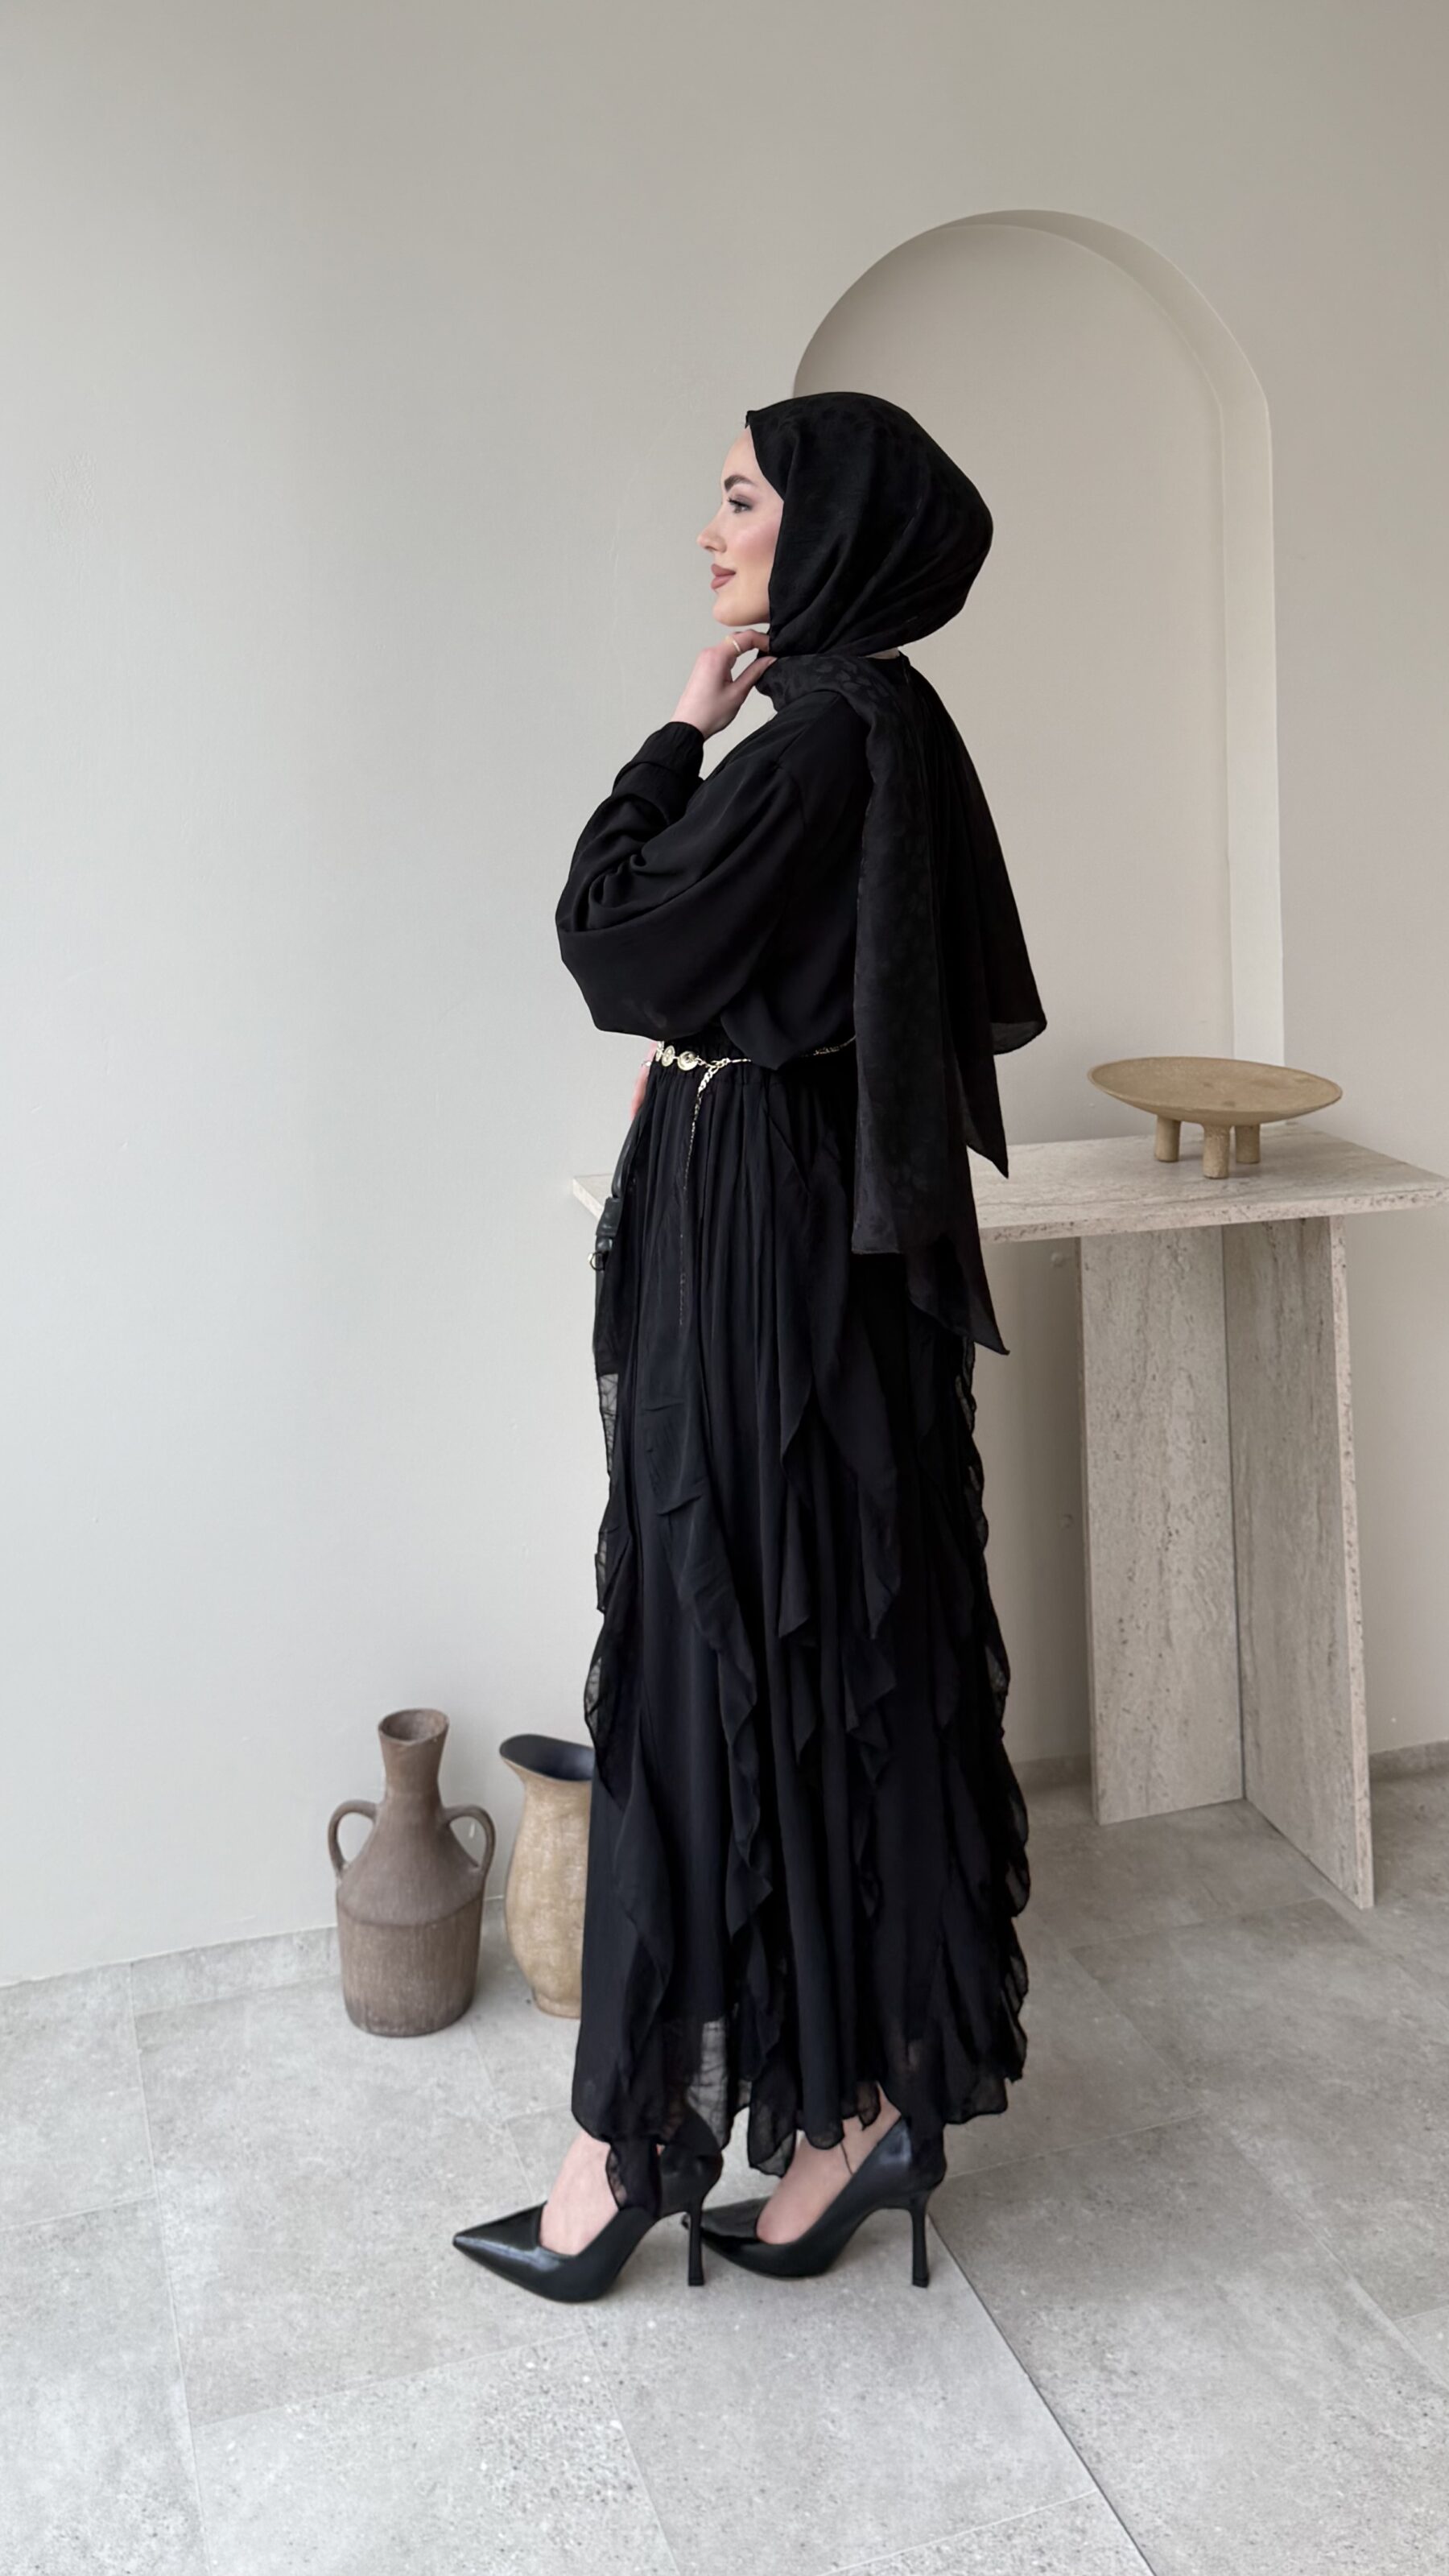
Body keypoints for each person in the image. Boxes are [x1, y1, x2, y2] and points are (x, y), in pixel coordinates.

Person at [454, 390, 1046, 2303]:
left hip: (768, 1256)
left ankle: (622, 2148)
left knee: (722, 1638)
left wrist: (673, 729)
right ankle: (847, 2114)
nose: (709, 533)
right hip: (807, 1240)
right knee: (816, 1645)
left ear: (830, 528)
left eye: (737, 499)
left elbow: (611, 937)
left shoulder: (811, 743)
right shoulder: (891, 724)